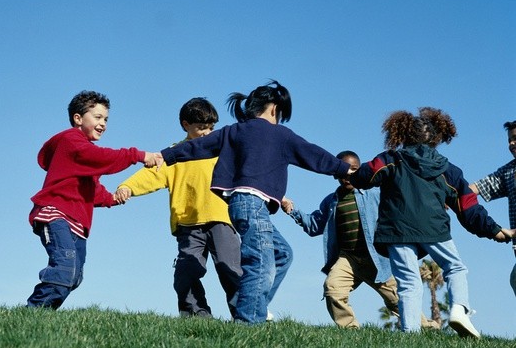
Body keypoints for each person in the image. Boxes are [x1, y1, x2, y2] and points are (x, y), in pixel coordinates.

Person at [160, 80, 351, 325]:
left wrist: (165, 155)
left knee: (282, 254)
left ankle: (251, 305)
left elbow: (198, 146)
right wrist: (346, 170)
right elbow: (314, 155)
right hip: (250, 205)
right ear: (273, 109)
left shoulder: (234, 131)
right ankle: (248, 322)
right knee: (260, 262)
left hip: (244, 205)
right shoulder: (279, 134)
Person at [349, 108, 514, 337]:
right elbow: (468, 207)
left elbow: (364, 176)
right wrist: (494, 230)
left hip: (398, 230)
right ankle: (458, 309)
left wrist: (349, 173)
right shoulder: (449, 171)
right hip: (435, 230)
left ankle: (410, 335)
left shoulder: (390, 160)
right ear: (437, 138)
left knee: (408, 282)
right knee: (455, 268)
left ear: (402, 134)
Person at [26, 90, 161, 309]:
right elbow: (101, 158)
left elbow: (94, 191)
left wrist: (114, 198)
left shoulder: (85, 154)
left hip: (78, 223)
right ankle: (32, 312)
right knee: (65, 270)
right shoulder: (72, 141)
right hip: (56, 212)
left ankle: (42, 313)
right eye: (97, 117)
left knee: (74, 277)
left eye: (106, 119)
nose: (103, 123)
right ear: (78, 118)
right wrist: (137, 155)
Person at [115, 98, 242, 319]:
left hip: (221, 219)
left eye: (210, 128)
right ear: (186, 124)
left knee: (230, 268)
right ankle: (197, 318)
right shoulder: (176, 153)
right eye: (201, 127)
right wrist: (127, 187)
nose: (206, 133)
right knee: (186, 273)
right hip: (188, 225)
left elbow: (247, 174)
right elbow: (151, 174)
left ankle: (247, 316)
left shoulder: (222, 151)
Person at [282, 150, 438, 329]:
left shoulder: (375, 193)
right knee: (333, 289)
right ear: (335, 173)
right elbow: (314, 226)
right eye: (343, 170)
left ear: (361, 170)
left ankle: (428, 328)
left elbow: (402, 205)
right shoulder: (331, 201)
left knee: (397, 301)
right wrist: (292, 210)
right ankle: (351, 331)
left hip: (377, 259)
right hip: (348, 259)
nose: (348, 174)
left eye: (354, 169)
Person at [469, 120, 516, 298]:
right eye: (509, 140)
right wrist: (448, 197)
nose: (511, 144)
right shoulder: (509, 172)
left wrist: (512, 232)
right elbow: (476, 188)